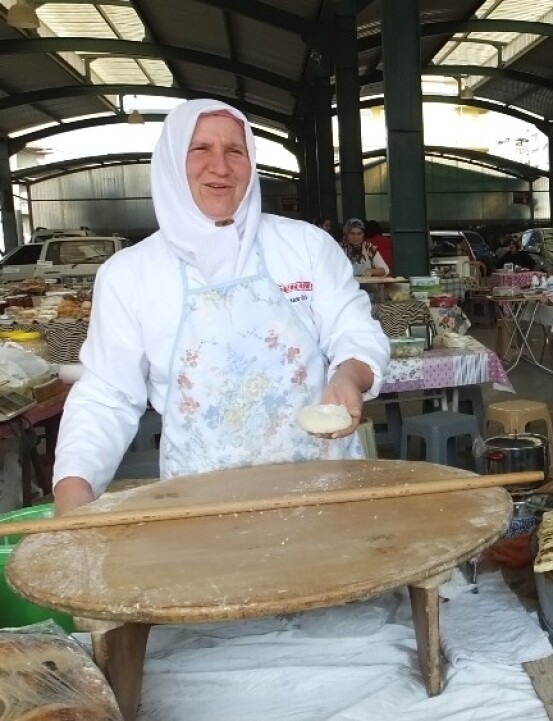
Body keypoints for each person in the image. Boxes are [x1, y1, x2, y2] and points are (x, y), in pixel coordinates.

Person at [52, 99, 390, 514]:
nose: (221, 166)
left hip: (324, 490)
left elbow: (355, 332)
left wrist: (349, 376)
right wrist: (73, 490)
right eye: (201, 150)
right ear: (173, 161)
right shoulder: (130, 274)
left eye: (235, 150)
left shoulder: (304, 246)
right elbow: (107, 395)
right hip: (201, 508)